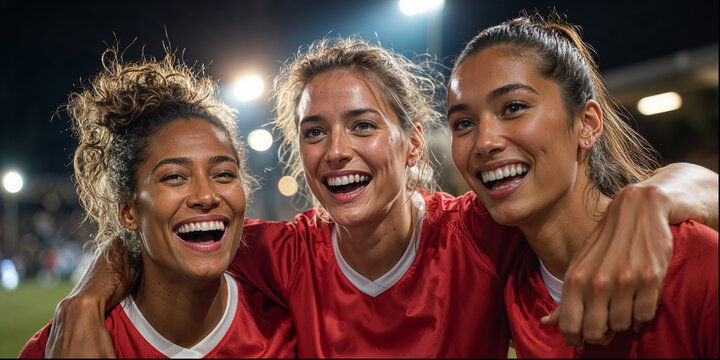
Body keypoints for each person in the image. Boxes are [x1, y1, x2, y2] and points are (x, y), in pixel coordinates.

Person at [44, 37, 719, 358]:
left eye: (363, 124)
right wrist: (84, 301)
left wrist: (662, 191)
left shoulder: (483, 233)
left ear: (411, 143)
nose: (337, 149)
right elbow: (164, 235)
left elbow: (589, 206)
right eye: (315, 131)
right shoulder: (283, 254)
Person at [447, 13, 718, 357]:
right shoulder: (503, 278)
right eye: (464, 123)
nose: (484, 142)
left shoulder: (694, 260)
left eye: (513, 107)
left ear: (587, 124)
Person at [19, 49, 295, 358]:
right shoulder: (59, 347)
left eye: (224, 174)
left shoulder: (289, 325)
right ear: (129, 211)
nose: (206, 196)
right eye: (175, 177)